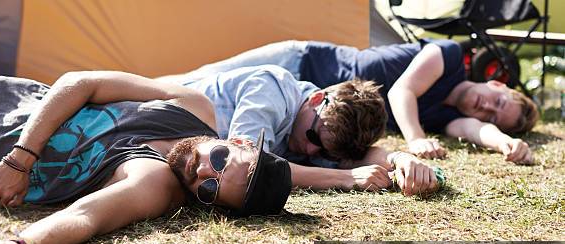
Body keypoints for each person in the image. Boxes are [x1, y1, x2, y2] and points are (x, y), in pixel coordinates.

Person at [0, 69, 291, 244]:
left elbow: (86, 217)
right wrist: (20, 160)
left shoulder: (155, 182)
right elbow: (82, 83)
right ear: (238, 141)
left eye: (209, 189)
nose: (202, 172)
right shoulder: (193, 105)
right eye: (220, 160)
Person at [162, 39, 539, 164]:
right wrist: (414, 139)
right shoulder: (451, 56)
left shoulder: (445, 114)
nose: (486, 107)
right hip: (298, 64)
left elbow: (473, 128)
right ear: (498, 84)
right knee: (192, 81)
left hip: (322, 112)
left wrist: (503, 141)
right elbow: (400, 91)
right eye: (496, 101)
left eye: (494, 115)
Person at [158, 64, 440, 195]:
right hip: (141, 121)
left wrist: (401, 160)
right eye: (314, 137)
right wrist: (343, 178)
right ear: (316, 99)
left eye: (322, 151)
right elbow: (250, 163)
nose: (309, 150)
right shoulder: (272, 87)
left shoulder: (319, 127)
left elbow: (361, 157)